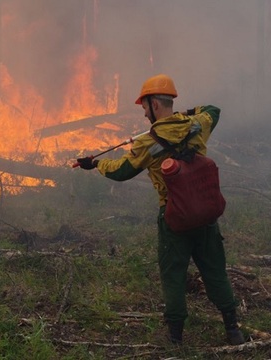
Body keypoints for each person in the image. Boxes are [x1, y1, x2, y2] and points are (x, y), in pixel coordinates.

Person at [76, 74, 245, 345]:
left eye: (144, 106)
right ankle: (233, 330)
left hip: (174, 219)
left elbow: (121, 171)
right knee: (215, 271)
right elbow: (213, 110)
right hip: (205, 216)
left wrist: (95, 165)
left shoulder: (146, 143)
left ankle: (175, 338)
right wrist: (185, 114)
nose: (143, 113)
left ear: (155, 103)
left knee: (173, 275)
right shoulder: (196, 125)